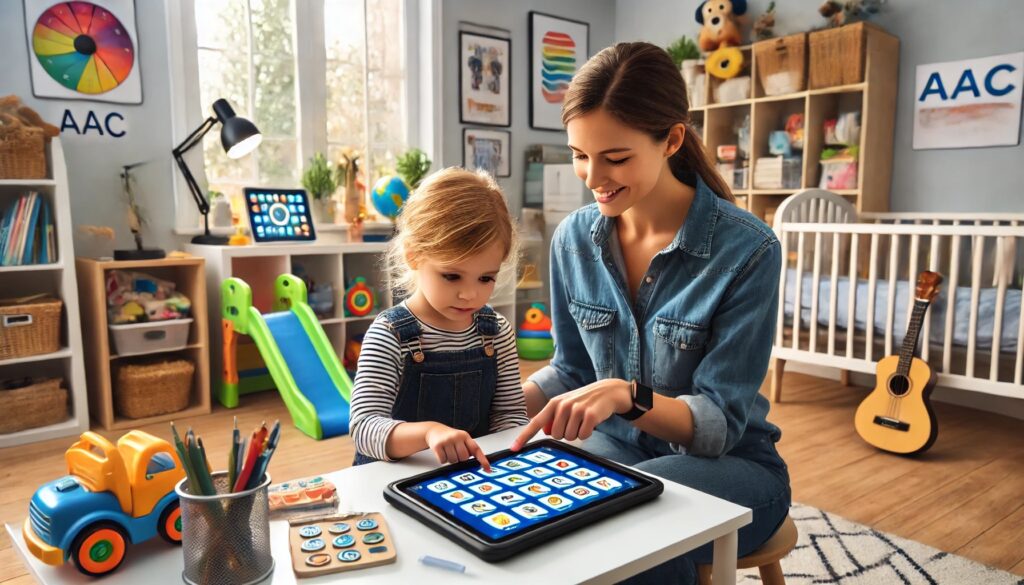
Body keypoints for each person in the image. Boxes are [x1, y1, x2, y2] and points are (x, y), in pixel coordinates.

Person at [511, 42, 790, 583]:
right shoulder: (572, 239)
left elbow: (718, 425)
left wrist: (625, 395)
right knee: (531, 515)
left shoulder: (749, 249)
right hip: (615, 450)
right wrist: (489, 404)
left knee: (623, 524)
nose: (593, 178)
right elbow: (571, 371)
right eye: (578, 155)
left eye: (615, 158)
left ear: (672, 139)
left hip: (733, 468)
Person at [350, 167, 528, 470]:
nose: (469, 294)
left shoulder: (496, 332)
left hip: (470, 479)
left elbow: (511, 415)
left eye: (486, 278)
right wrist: (428, 432)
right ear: (413, 255)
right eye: (452, 276)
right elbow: (364, 429)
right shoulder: (390, 334)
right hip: (393, 480)